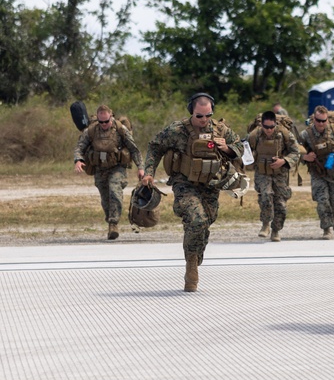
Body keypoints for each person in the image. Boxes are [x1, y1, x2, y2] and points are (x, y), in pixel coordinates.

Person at [143, 93, 244, 292]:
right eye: (199, 116)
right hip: (184, 184)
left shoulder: (220, 130)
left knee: (206, 223)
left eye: (208, 115)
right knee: (196, 220)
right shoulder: (177, 130)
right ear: (191, 111)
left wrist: (229, 148)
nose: (204, 120)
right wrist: (148, 173)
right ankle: (191, 266)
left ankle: (196, 254)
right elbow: (155, 147)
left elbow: (241, 148)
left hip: (210, 186)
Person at [73, 104, 144, 240]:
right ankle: (110, 220)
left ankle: (113, 223)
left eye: (107, 121)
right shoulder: (92, 131)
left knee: (114, 188)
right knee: (105, 198)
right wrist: (78, 160)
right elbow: (79, 147)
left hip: (117, 167)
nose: (104, 124)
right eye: (101, 122)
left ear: (111, 117)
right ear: (98, 120)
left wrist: (140, 168)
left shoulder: (120, 129)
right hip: (99, 168)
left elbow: (134, 149)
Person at [247, 111, 301, 242]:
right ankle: (265, 224)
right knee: (266, 196)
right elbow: (244, 152)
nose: (269, 130)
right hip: (262, 173)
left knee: (280, 205)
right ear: (262, 125)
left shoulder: (285, 134)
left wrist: (283, 161)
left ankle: (276, 230)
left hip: (280, 174)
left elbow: (296, 152)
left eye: (272, 127)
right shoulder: (254, 135)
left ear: (275, 124)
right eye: (266, 127)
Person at [299, 105, 334, 238]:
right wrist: (305, 157)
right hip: (318, 172)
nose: (321, 123)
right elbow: (294, 151)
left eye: (323, 121)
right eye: (318, 120)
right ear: (313, 119)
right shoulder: (306, 134)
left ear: (328, 120)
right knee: (322, 201)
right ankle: (326, 228)